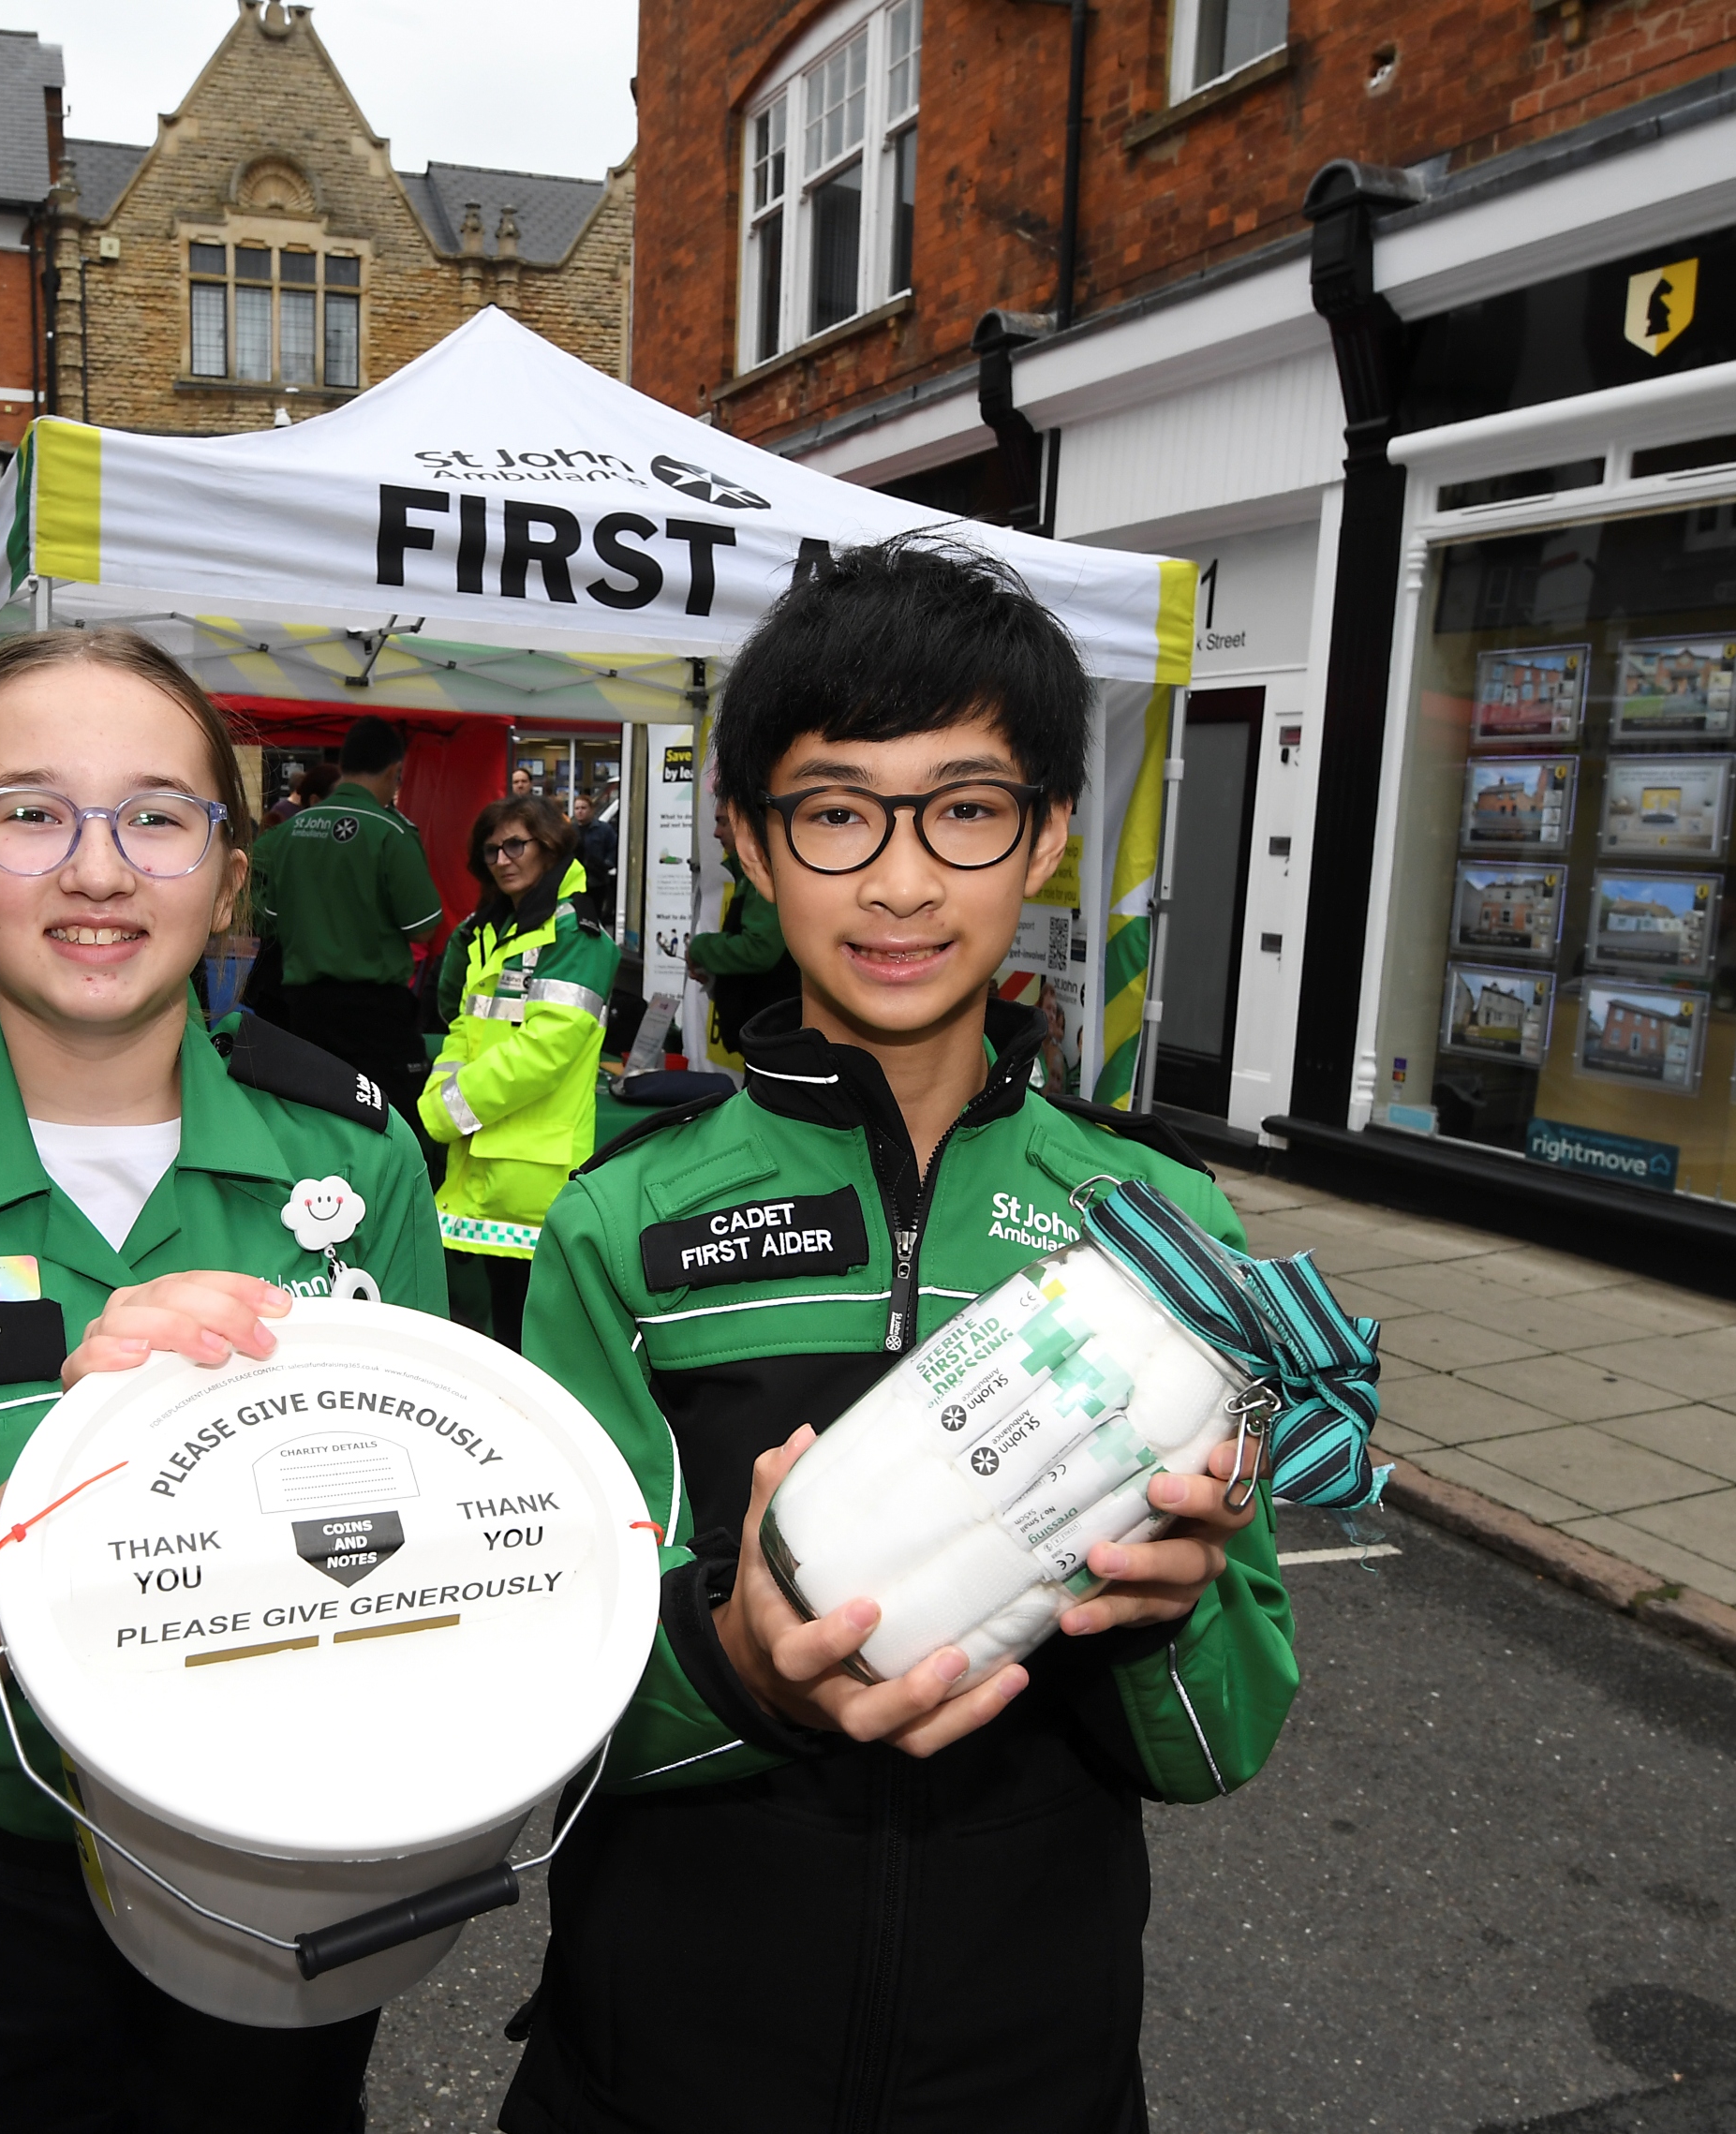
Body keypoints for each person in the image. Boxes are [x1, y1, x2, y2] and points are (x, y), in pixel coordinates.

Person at [497, 539, 1291, 2134]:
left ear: (1050, 834)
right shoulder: (621, 1220)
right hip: (655, 2070)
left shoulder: (1158, 1227)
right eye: (838, 809)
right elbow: (538, 1719)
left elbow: (1221, 1744)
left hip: (1037, 2077)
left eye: (968, 808)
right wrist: (741, 1670)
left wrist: (1169, 1613)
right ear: (749, 839)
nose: (905, 880)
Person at [0, 626, 446, 2130]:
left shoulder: (359, 1160)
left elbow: (414, 1582)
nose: (98, 871)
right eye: (31, 812)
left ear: (232, 872)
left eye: (160, 814)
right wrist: (98, 1441)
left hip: (275, 1885)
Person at [418, 795, 612, 1351]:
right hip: (480, 1165)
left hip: (533, 1176)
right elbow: (463, 1026)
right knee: (476, 1339)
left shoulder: (575, 934)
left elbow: (545, 1052)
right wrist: (442, 1098)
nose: (502, 859)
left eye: (515, 844)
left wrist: (444, 1109)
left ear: (551, 847)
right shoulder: (496, 929)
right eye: (491, 849)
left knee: (527, 1346)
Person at [251, 716, 443, 1092]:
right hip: (374, 1013)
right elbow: (423, 926)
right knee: (390, 1121)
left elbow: (242, 877)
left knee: (315, 1114)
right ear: (394, 770)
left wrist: (275, 917)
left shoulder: (290, 830)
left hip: (302, 1008)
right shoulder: (391, 832)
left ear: (345, 765)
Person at [686, 805, 799, 1055]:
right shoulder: (755, 875)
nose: (716, 833)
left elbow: (759, 950)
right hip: (767, 1030)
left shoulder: (765, 877)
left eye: (723, 822)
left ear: (748, 825)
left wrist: (700, 947)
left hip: (774, 1035)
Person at [570, 788, 617, 922]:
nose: (580, 811)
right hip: (575, 882)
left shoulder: (604, 829)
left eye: (583, 808)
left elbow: (613, 848)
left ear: (591, 809)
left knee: (595, 917)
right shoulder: (570, 831)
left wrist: (608, 863)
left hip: (596, 880)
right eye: (577, 808)